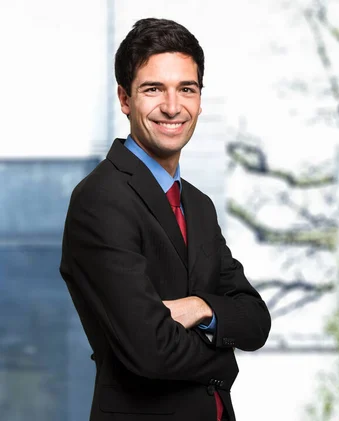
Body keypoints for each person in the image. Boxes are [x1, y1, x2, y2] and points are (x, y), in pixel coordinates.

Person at [59, 17, 271, 421]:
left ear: (200, 100)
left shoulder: (199, 205)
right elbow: (149, 349)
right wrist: (225, 360)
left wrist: (198, 307)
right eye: (153, 89)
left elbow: (256, 320)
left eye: (186, 89)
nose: (173, 107)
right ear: (125, 99)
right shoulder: (101, 199)